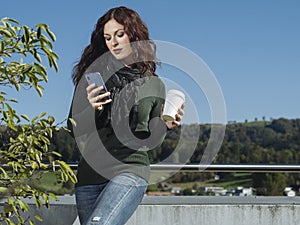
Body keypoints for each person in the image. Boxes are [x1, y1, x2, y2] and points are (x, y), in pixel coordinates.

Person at [67, 6, 184, 225]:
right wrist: (90, 107)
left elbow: (151, 140)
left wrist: (165, 125)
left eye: (119, 34)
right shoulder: (91, 77)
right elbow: (73, 128)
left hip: (129, 169)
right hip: (89, 176)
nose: (114, 42)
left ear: (134, 34)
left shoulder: (152, 84)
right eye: (108, 37)